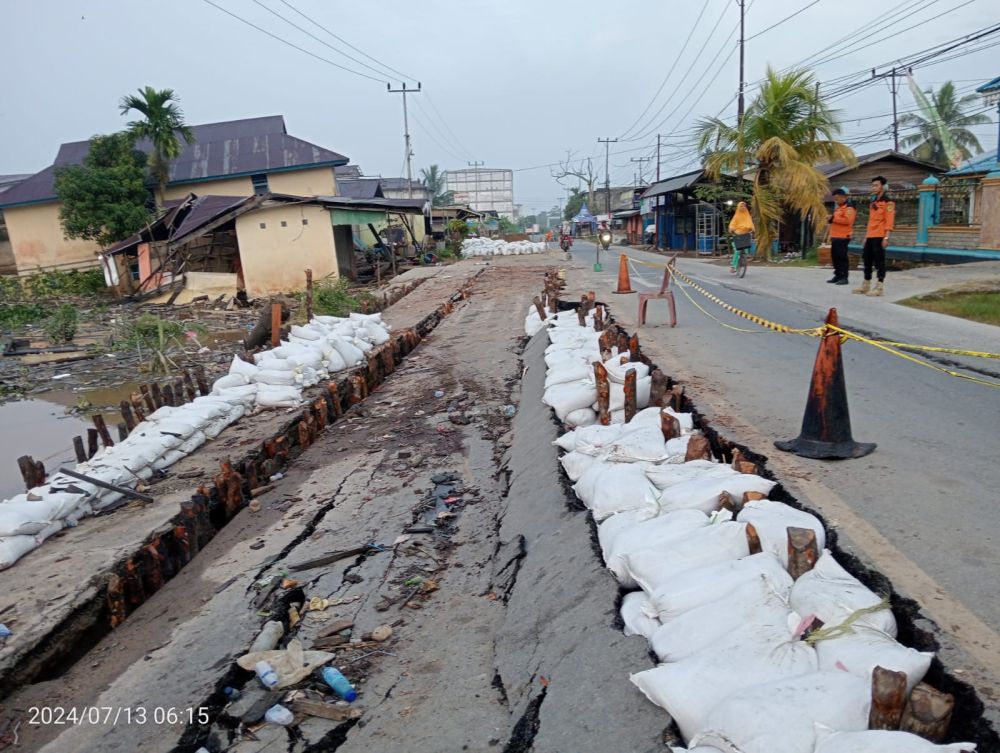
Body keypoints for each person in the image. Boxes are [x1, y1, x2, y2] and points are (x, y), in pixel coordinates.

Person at [854, 176, 895, 297]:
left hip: (880, 235)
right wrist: (866, 236)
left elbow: (889, 221)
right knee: (866, 259)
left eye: (876, 185)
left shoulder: (888, 202)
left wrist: (886, 237)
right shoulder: (873, 202)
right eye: (873, 185)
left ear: (882, 186)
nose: (874, 187)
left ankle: (879, 286)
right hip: (871, 235)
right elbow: (871, 221)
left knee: (879, 261)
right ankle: (866, 284)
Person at [827, 187, 856, 285]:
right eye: (835, 198)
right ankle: (838, 274)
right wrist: (830, 218)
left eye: (837, 198)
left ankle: (844, 277)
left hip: (843, 236)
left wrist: (833, 218)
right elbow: (836, 220)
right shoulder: (839, 208)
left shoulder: (849, 208)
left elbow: (847, 221)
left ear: (843, 197)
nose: (836, 200)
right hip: (835, 236)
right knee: (835, 256)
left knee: (841, 257)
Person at [728, 201, 755, 273]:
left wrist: (752, 229)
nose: (743, 207)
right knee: (737, 251)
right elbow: (732, 224)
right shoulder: (736, 216)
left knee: (746, 250)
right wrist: (731, 229)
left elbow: (751, 224)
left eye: (744, 206)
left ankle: (743, 261)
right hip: (738, 235)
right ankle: (733, 266)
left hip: (746, 235)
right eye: (741, 206)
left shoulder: (747, 216)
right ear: (738, 207)